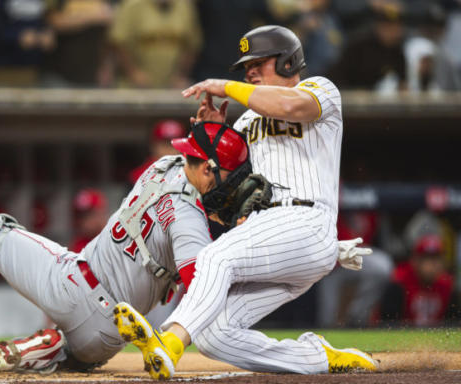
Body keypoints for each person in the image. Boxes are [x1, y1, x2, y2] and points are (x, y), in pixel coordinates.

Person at [0, 121, 250, 372]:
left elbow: (204, 174)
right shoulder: (191, 223)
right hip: (105, 340)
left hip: (73, 283)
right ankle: (59, 352)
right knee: (88, 355)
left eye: (190, 154)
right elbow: (201, 290)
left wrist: (211, 129)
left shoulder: (160, 168)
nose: (181, 157)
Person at [112, 25, 379, 379]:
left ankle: (170, 342)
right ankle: (317, 357)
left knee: (215, 258)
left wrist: (225, 86)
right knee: (212, 334)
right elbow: (224, 190)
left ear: (287, 62)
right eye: (245, 68)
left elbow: (289, 105)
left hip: (306, 220)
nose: (249, 72)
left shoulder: (319, 89)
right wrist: (213, 136)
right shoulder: (247, 119)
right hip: (276, 234)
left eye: (258, 63)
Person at [381, 234, 454, 327]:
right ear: (415, 260)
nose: (431, 264)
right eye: (426, 258)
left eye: (436, 258)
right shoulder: (400, 282)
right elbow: (388, 322)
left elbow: (452, 324)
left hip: (434, 338)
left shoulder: (446, 285)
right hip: (402, 336)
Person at [128, 119, 186, 184]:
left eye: (174, 145)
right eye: (165, 144)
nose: (170, 150)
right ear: (153, 146)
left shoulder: (191, 174)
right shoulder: (140, 175)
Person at [68, 188, 109, 253]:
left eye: (88, 215)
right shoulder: (78, 246)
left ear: (101, 213)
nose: (83, 221)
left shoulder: (113, 240)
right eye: (80, 216)